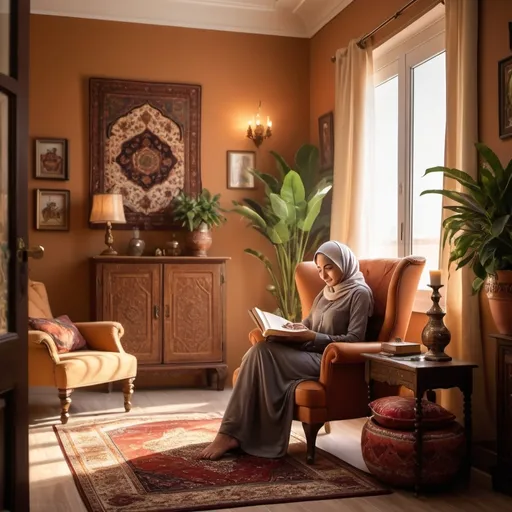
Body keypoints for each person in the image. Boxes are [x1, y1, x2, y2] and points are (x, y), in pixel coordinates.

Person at [200, 240, 374, 461]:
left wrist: (312, 337)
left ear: (344, 263)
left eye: (329, 267)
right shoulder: (326, 292)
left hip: (328, 361)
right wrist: (292, 329)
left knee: (261, 353)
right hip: (308, 351)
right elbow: (308, 324)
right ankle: (232, 434)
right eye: (319, 269)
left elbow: (356, 339)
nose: (323, 275)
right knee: (261, 349)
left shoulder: (359, 294)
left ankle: (230, 434)